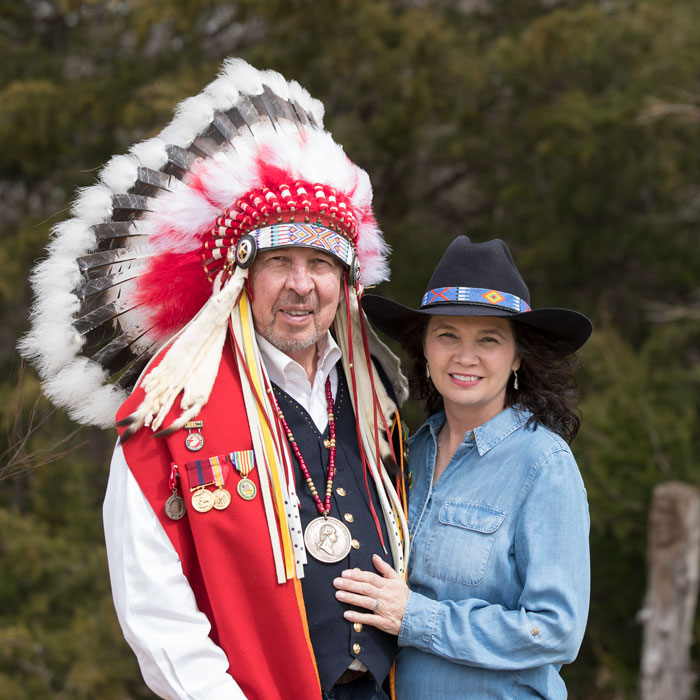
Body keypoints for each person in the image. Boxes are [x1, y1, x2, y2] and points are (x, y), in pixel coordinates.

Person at [19, 59, 409, 700]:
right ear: (239, 279)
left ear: (348, 283)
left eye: (320, 264)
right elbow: (155, 610)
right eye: (278, 261)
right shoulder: (171, 411)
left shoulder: (375, 404)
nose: (301, 285)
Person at [332, 236, 592, 699]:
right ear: (425, 349)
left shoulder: (544, 465)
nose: (464, 356)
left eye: (488, 340)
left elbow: (557, 630)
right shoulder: (405, 454)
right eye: (447, 334)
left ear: (517, 357)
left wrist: (414, 617)